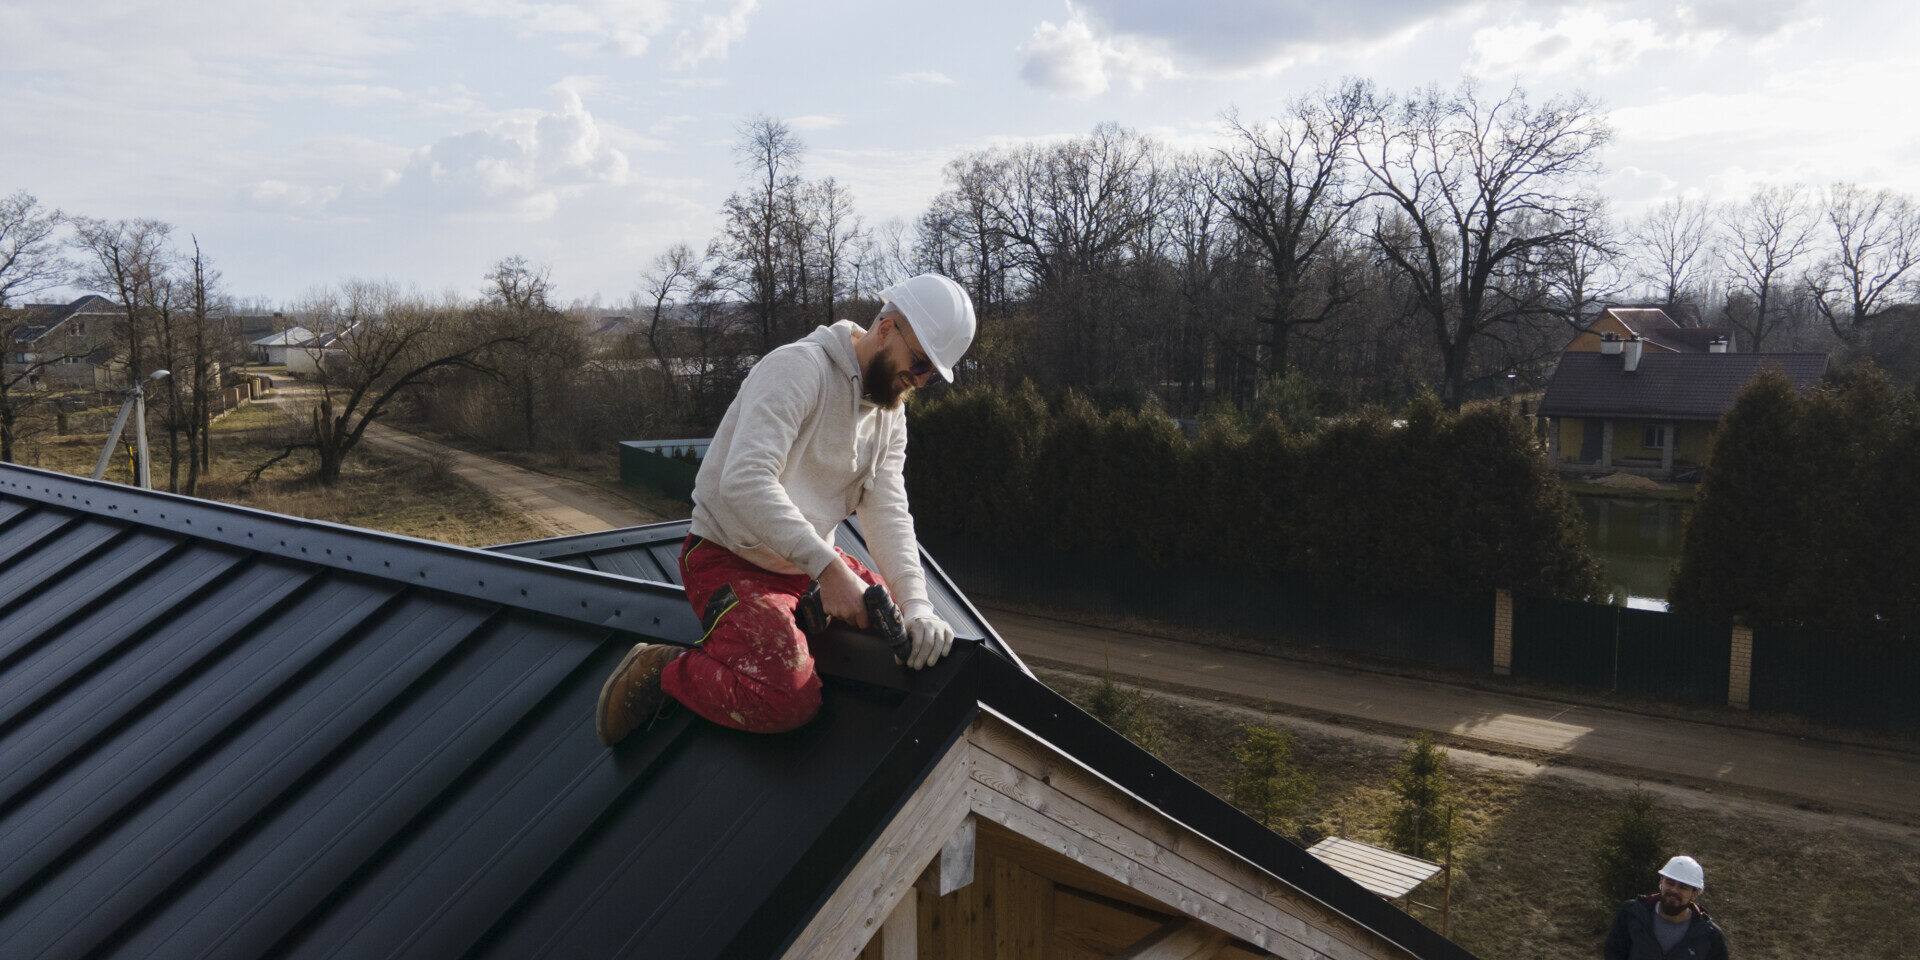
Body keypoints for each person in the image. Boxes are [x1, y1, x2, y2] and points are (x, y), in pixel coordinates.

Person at [595, 274, 975, 745]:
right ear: (887, 328)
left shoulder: (889, 413)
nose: (918, 381)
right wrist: (831, 571)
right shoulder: (799, 370)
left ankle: (806, 608)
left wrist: (917, 604)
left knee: (901, 636)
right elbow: (745, 482)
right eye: (918, 362)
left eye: (930, 374)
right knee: (786, 699)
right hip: (729, 558)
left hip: (805, 566)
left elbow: (889, 510)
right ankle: (662, 669)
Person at [1603, 855, 1729, 960]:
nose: (1674, 890)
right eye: (1670, 883)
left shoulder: (1710, 936)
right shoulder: (1632, 913)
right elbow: (1613, 953)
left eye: (1683, 887)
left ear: (1694, 894)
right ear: (1661, 882)